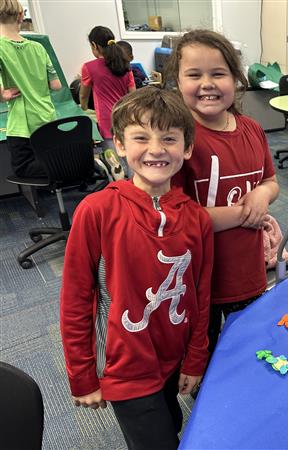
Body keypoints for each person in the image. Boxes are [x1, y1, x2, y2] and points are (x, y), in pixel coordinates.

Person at [60, 87, 213, 450]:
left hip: (174, 360)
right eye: (141, 137)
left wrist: (195, 359)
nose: (156, 149)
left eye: (169, 138)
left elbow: (199, 295)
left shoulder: (196, 219)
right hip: (127, 366)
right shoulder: (96, 211)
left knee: (173, 425)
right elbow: (77, 300)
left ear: (187, 148)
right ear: (120, 146)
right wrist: (82, 375)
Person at [167, 29, 279, 353]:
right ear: (177, 81)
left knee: (249, 348)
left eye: (218, 73)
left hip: (249, 272)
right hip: (201, 280)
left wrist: (261, 195)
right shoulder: (178, 141)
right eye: (193, 74)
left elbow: (271, 182)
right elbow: (178, 218)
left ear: (236, 78)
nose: (207, 83)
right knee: (204, 358)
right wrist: (244, 214)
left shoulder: (253, 129)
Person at [0, 0, 62, 178]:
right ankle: (85, 163)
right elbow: (56, 85)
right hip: (48, 118)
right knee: (50, 159)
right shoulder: (39, 48)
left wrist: (3, 95)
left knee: (23, 169)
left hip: (22, 124)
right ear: (21, 16)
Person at [80, 26, 135, 149]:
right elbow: (133, 95)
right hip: (126, 119)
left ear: (94, 45)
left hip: (107, 122)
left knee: (115, 162)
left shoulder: (89, 67)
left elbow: (83, 95)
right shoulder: (125, 65)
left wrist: (83, 107)